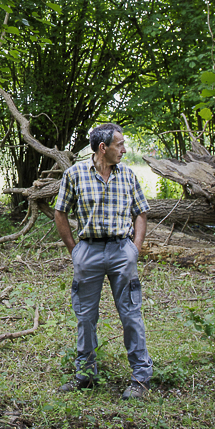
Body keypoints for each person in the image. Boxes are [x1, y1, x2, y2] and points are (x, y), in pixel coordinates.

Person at [53, 123, 152, 400]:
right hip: (89, 252)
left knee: (131, 314)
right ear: (102, 148)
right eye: (119, 144)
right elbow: (60, 213)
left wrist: (135, 248)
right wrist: (75, 250)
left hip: (122, 252)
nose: (123, 149)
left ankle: (141, 378)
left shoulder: (128, 176)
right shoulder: (74, 175)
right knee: (85, 317)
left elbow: (141, 213)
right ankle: (85, 375)